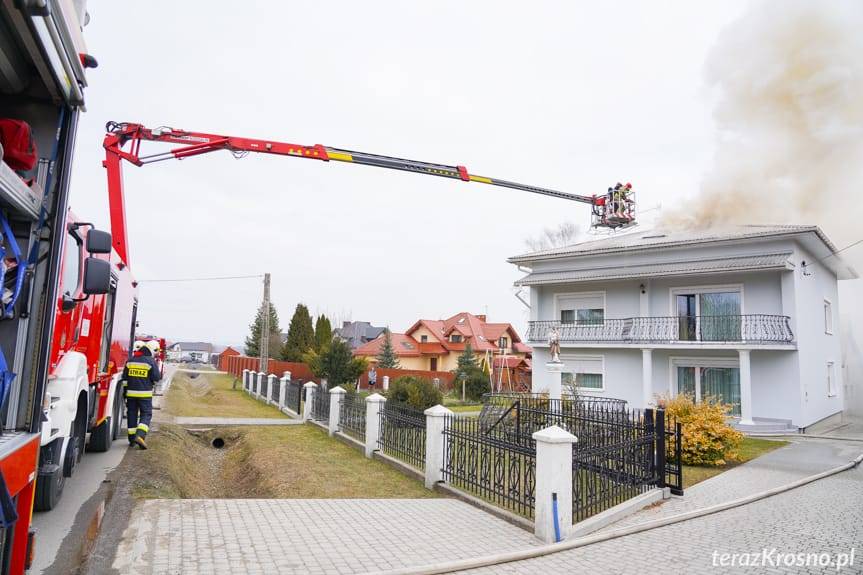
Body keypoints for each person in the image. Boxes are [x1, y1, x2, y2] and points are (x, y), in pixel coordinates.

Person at [122, 344, 161, 449]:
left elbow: (124, 379)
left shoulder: (130, 361)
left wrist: (125, 393)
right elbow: (157, 377)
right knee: (146, 414)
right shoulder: (150, 361)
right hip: (145, 395)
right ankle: (140, 435)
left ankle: (131, 440)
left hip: (130, 394)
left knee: (132, 415)